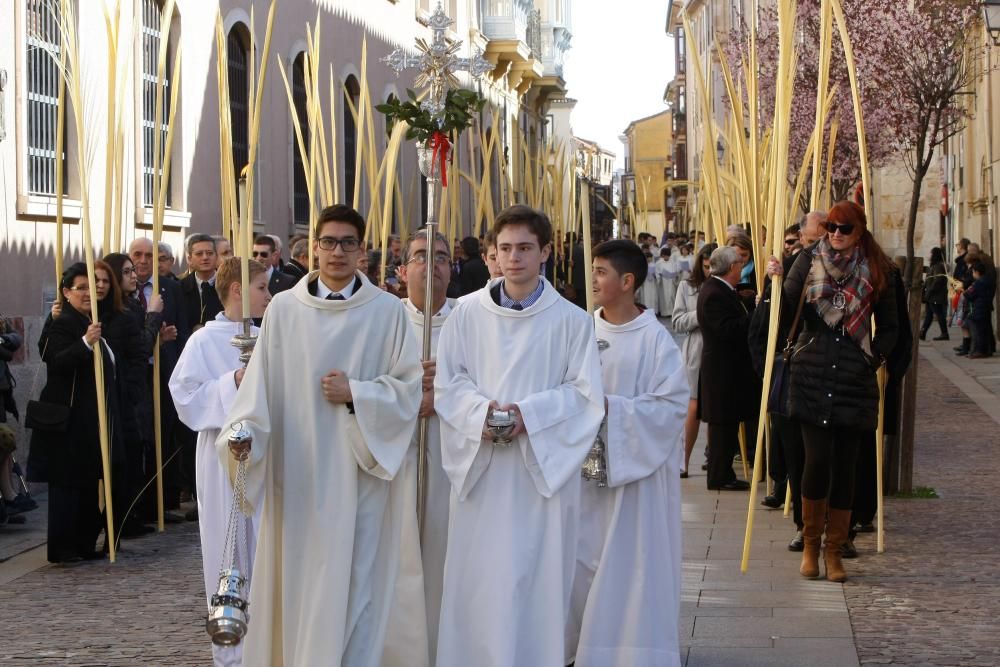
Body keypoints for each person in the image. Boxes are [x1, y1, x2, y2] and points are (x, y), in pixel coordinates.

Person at [216, 204, 423, 665]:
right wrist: (243, 434)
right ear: (313, 248)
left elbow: (407, 393)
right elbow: (258, 392)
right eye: (327, 242)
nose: (336, 252)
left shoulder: (387, 312)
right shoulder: (286, 311)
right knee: (300, 584)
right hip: (299, 477)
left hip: (360, 477)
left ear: (362, 251)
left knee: (356, 586)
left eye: (348, 243)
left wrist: (358, 394)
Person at [434, 205, 604, 665]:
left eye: (525, 248)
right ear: (492, 252)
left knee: (537, 580)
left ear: (545, 252)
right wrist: (481, 415)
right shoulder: (465, 314)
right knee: (480, 580)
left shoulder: (572, 321)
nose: (514, 258)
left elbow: (586, 395)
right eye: (505, 248)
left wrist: (529, 414)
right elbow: (449, 382)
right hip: (482, 470)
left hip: (540, 475)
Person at [567, 240, 688, 666]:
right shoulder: (578, 331)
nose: (593, 279)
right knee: (580, 563)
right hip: (580, 475)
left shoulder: (656, 342)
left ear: (628, 281)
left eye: (600, 271)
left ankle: (631, 653)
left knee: (631, 566)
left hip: (634, 479)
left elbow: (670, 407)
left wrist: (608, 410)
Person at [767, 200, 898, 583]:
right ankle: (810, 545)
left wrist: (874, 359)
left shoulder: (877, 267)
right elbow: (786, 306)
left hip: (853, 375)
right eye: (831, 228)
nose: (836, 235)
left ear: (859, 230)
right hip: (812, 372)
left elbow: (890, 326)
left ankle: (834, 550)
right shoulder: (807, 261)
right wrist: (773, 278)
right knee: (817, 461)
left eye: (844, 228)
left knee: (846, 467)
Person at [170, 257, 271, 667]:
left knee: (267, 546)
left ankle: (268, 642)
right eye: (262, 287)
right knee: (226, 550)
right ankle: (231, 650)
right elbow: (185, 396)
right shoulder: (203, 342)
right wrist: (232, 383)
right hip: (220, 455)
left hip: (266, 455)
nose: (269, 295)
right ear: (236, 290)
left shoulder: (272, 335)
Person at [383, 231, 456, 667]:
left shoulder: (471, 319)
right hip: (398, 453)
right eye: (421, 256)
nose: (432, 265)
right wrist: (411, 393)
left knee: (445, 555)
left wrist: (442, 392)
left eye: (443, 257)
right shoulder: (384, 318)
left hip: (451, 458)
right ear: (403, 268)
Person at [27, 263, 122, 563]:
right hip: (67, 419)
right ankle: (63, 547)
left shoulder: (88, 319)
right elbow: (55, 360)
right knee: (67, 487)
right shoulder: (64, 322)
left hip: (87, 419)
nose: (87, 293)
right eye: (80, 288)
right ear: (66, 292)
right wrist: (85, 343)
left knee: (83, 484)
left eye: (90, 288)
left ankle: (82, 544)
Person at [129, 237, 188, 521]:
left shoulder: (171, 289)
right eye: (137, 255)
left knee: (162, 436)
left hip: (162, 372)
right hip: (133, 375)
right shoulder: (122, 290)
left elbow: (182, 331)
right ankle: (137, 505)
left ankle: (161, 503)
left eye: (148, 255)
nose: (142, 261)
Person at [697, 246, 758, 491]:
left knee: (728, 423)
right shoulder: (713, 293)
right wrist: (754, 314)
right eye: (739, 264)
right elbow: (727, 329)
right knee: (722, 425)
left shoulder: (720, 289)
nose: (741, 268)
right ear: (732, 267)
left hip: (728, 370)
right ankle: (718, 476)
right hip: (721, 370)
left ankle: (724, 473)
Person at [672, 245, 713, 477]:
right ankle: (684, 461)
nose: (709, 271)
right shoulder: (687, 287)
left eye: (713, 267)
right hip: (696, 350)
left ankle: (713, 456)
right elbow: (677, 321)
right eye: (706, 267)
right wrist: (702, 313)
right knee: (694, 406)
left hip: (719, 350)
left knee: (715, 408)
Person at [179, 234, 223, 332]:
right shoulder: (179, 287)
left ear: (216, 256)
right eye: (199, 254)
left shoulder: (228, 285)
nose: (205, 257)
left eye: (209, 253)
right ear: (190, 259)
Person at [920, 246, 950, 341]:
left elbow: (938, 280)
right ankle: (923, 332)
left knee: (939, 314)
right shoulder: (934, 266)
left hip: (936, 296)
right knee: (929, 315)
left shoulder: (938, 266)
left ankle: (944, 333)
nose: (930, 255)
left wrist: (929, 291)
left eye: (931, 253)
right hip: (932, 296)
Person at [965, 262, 994, 358]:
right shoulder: (988, 280)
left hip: (979, 308)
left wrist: (967, 291)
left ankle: (979, 350)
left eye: (973, 272)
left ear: (977, 272)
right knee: (985, 329)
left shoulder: (978, 283)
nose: (973, 274)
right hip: (986, 307)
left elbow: (970, 295)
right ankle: (987, 350)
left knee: (978, 331)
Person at [655, 247, 679, 318]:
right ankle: (664, 313)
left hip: (671, 282)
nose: (666, 257)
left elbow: (676, 271)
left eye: (667, 255)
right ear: (662, 255)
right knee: (664, 298)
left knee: (671, 296)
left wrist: (675, 275)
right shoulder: (659, 263)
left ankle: (672, 312)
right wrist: (659, 276)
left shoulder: (673, 262)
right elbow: (657, 272)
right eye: (664, 255)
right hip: (663, 283)